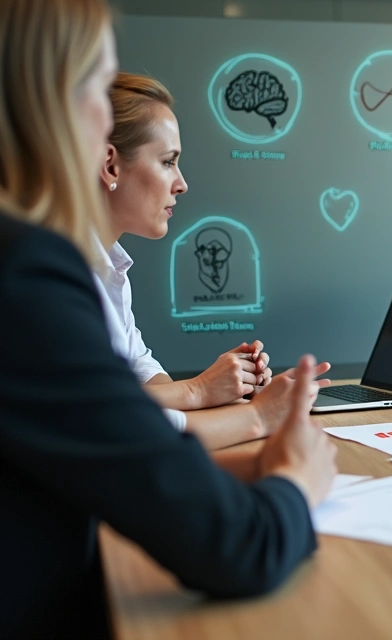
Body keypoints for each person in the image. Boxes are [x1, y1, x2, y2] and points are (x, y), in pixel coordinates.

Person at [0, 0, 337, 636]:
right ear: (54, 103)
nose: (182, 183)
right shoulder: (25, 275)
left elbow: (114, 453)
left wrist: (256, 461)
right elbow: (235, 548)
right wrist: (297, 481)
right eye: (100, 85)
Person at [95, 72, 329, 449]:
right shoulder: (62, 278)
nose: (182, 183)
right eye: (168, 161)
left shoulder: (109, 268)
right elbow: (106, 415)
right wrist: (226, 402)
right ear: (110, 166)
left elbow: (139, 374)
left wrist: (223, 389)